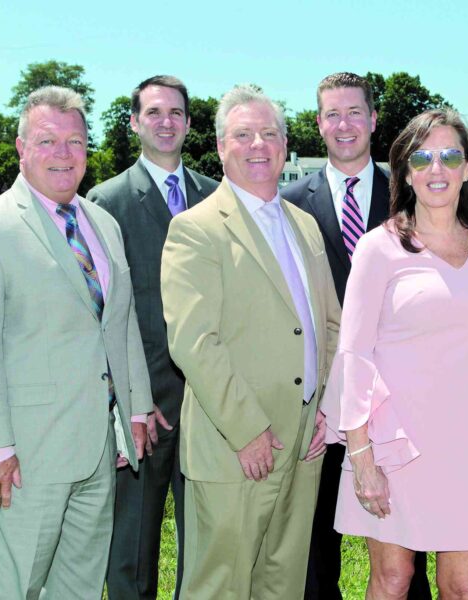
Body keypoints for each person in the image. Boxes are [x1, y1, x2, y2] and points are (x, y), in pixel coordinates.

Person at [321, 108, 468, 599]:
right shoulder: (379, 247)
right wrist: (361, 457)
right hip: (395, 443)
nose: (436, 169)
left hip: (466, 442)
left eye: (449, 156)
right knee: (393, 578)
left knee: (464, 587)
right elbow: (354, 354)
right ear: (405, 171)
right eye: (422, 158)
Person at [0, 85, 153, 598]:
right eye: (47, 141)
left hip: (98, 452)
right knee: (9, 587)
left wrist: (137, 410)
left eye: (75, 142)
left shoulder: (102, 223)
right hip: (24, 459)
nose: (63, 154)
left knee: (77, 587)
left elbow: (119, 324)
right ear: (20, 147)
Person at [160, 84, 341, 599]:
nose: (257, 144)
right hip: (236, 444)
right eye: (243, 134)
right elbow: (195, 342)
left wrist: (328, 404)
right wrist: (248, 430)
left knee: (281, 583)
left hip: (305, 440)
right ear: (220, 146)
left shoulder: (304, 225)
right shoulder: (195, 230)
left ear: (285, 146)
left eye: (269, 134)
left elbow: (330, 323)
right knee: (220, 584)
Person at [282, 71, 432, 600]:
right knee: (314, 544)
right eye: (331, 114)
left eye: (354, 113)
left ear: (372, 119)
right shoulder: (290, 202)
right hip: (319, 393)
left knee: (402, 544)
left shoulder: (411, 190)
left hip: (397, 394)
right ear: (319, 123)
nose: (343, 125)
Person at [88, 74, 218, 599]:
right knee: (132, 551)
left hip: (212, 406)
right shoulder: (108, 201)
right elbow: (102, 316)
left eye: (176, 113)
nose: (166, 122)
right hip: (145, 406)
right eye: (154, 112)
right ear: (136, 122)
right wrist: (130, 401)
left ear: (189, 123)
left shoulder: (216, 196)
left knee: (207, 546)